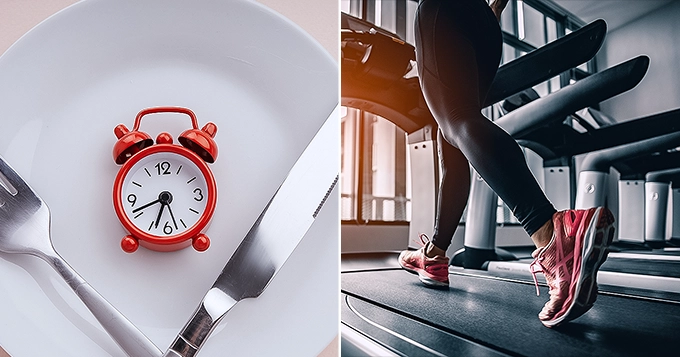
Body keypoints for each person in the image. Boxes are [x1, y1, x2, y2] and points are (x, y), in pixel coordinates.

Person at [398, 0, 616, 328]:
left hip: (443, 10)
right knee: (454, 136)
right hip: (487, 27)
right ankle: (435, 255)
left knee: (456, 122)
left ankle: (552, 236)